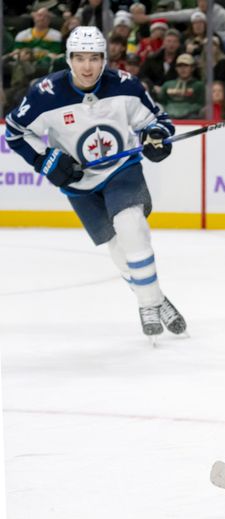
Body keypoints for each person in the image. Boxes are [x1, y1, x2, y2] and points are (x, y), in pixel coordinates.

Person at [4, 26, 186, 340]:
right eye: (79, 58)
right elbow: (15, 132)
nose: (87, 66)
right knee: (118, 249)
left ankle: (146, 305)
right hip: (79, 182)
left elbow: (157, 121)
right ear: (68, 59)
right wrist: (45, 160)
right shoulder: (46, 93)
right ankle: (157, 299)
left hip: (121, 170)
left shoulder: (126, 86)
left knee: (131, 225)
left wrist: (155, 136)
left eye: (94, 58)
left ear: (104, 59)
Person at [159, 53, 205, 118]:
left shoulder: (199, 85)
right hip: (169, 117)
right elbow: (161, 102)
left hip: (191, 118)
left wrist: (186, 110)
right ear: (176, 68)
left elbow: (200, 104)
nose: (182, 69)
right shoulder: (167, 85)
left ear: (192, 68)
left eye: (186, 65)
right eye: (179, 66)